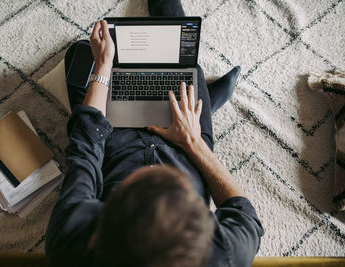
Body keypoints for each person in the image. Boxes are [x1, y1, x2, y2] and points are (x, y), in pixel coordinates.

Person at [46, 1, 264, 266]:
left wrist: (103, 68)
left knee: (79, 56)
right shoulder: (224, 254)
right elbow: (242, 210)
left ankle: (201, 101)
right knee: (191, 72)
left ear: (97, 231)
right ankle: (204, 104)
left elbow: (85, 148)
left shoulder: (70, 242)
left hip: (113, 141)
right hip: (186, 148)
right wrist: (193, 141)